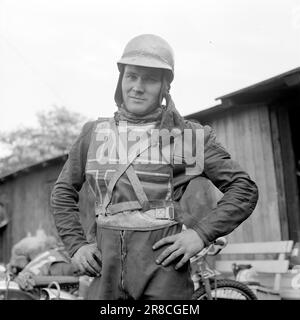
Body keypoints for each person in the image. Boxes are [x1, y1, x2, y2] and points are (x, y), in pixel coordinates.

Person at [50, 34, 258, 300]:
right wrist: (77, 245)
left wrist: (201, 235)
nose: (137, 87)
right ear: (120, 79)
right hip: (104, 277)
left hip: (163, 277)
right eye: (131, 76)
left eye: (148, 79)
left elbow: (243, 188)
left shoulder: (186, 137)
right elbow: (63, 192)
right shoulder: (94, 134)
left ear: (164, 86)